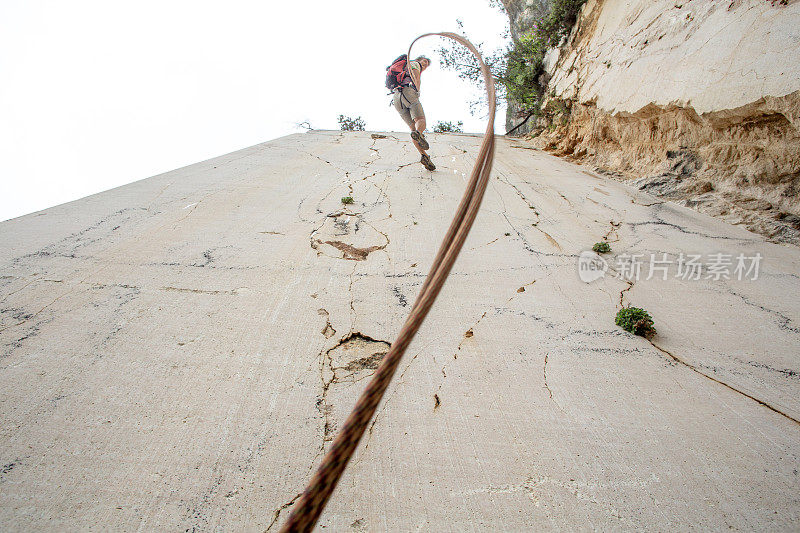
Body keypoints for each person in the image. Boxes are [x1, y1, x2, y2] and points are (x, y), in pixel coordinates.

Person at [392, 56, 435, 171]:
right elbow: (416, 77)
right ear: (419, 59)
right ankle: (419, 134)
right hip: (408, 91)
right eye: (424, 62)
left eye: (426, 65)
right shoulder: (415, 64)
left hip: (396, 98)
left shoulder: (404, 67)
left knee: (413, 129)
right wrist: (417, 90)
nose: (425, 65)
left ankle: (424, 156)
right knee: (421, 121)